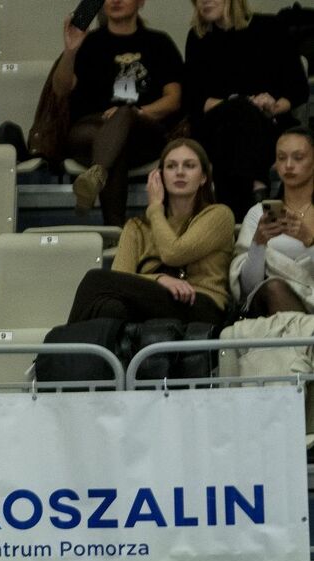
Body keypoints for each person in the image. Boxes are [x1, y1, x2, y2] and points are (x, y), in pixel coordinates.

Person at [68, 138, 234, 327]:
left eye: (189, 166)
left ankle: (60, 344)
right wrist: (160, 279)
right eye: (171, 166)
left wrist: (155, 208)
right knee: (111, 308)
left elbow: (173, 253)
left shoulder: (219, 215)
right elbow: (119, 277)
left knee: (95, 280)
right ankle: (75, 345)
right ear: (160, 176)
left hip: (201, 304)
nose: (180, 172)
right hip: (154, 303)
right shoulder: (137, 227)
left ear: (203, 176)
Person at [54, 0, 183, 225]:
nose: (115, 0)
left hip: (143, 133)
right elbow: (60, 89)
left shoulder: (158, 43)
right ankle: (115, 231)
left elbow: (173, 100)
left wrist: (136, 113)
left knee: (122, 119)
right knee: (114, 144)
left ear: (141, 2)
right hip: (89, 131)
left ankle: (100, 186)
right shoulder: (89, 42)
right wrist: (70, 51)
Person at [184, 0, 308, 220]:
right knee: (239, 113)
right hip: (216, 127)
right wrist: (239, 104)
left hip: (268, 123)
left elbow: (298, 89)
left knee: (243, 125)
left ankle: (235, 218)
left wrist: (272, 105)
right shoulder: (198, 38)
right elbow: (193, 100)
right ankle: (258, 191)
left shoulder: (270, 28)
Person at [233, 128, 314, 318]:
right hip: (271, 309)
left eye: (298, 157)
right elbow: (248, 289)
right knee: (274, 287)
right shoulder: (257, 213)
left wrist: (309, 241)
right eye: (281, 158)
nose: (288, 165)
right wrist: (259, 243)